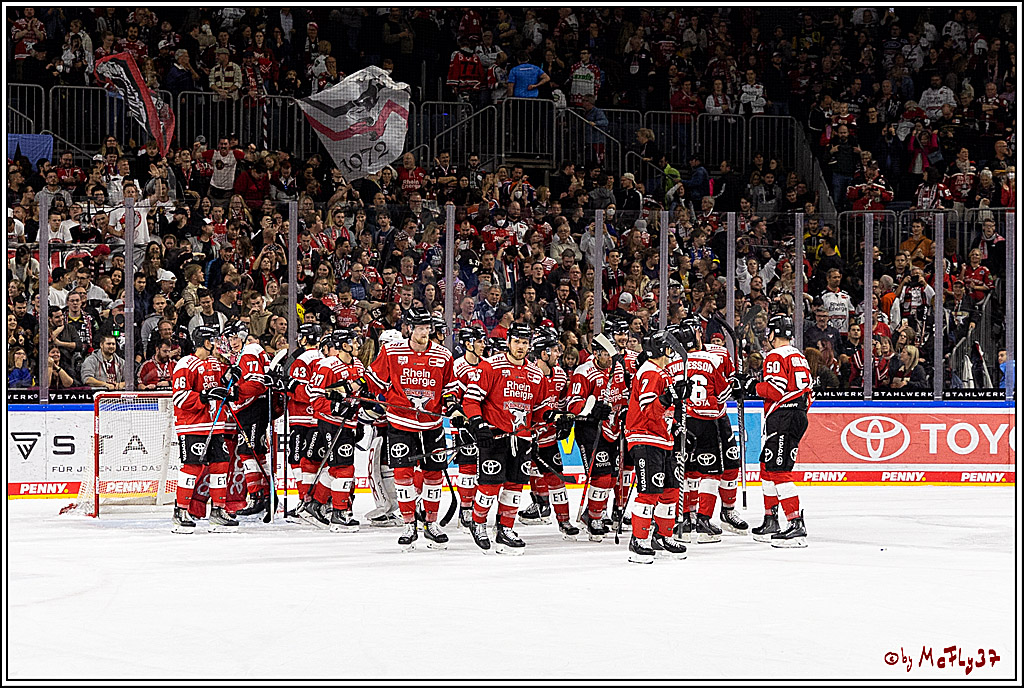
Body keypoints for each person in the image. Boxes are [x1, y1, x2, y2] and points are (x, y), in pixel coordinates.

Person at [363, 307, 459, 550]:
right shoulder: (392, 351)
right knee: (403, 475)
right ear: (409, 328)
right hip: (400, 423)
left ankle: (431, 523)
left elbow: (450, 387)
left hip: (432, 424)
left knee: (434, 476)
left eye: (428, 328)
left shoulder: (443, 355)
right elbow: (374, 381)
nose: (425, 333)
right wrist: (364, 395)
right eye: (420, 328)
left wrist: (453, 406)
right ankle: (408, 525)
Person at [463, 323, 548, 554]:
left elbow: (539, 409)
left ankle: (505, 528)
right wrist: (478, 424)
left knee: (515, 486)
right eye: (517, 341)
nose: (521, 347)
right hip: (495, 436)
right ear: (509, 341)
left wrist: (553, 417)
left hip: (521, 438)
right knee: (489, 486)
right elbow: (470, 401)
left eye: (525, 342)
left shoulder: (536, 374)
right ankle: (478, 522)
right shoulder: (491, 366)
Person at [745, 315, 812, 547]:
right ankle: (770, 519)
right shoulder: (799, 356)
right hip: (796, 414)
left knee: (779, 470)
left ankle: (795, 525)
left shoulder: (775, 356)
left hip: (783, 416)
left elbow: (775, 390)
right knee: (767, 466)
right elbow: (807, 392)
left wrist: (752, 386)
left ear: (773, 333)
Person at [622, 330, 688, 563]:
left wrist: (678, 422)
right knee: (650, 492)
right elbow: (649, 411)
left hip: (663, 439)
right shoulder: (649, 371)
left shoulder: (663, 372)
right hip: (644, 438)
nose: (672, 351)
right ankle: (638, 540)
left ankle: (663, 535)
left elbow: (666, 410)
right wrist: (668, 398)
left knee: (670, 490)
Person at [170, 325, 238, 533]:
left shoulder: (215, 364)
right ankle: (181, 511)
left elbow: (227, 392)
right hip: (193, 426)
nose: (218, 345)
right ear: (206, 342)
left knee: (220, 465)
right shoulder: (185, 364)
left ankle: (218, 511)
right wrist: (205, 396)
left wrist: (231, 381)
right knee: (192, 467)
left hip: (216, 426)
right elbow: (179, 397)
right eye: (214, 341)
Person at [299, 327, 365, 531]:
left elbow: (361, 394)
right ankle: (338, 513)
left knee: (336, 467)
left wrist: (362, 415)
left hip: (350, 423)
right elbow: (315, 398)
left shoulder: (359, 366)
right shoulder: (327, 366)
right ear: (344, 345)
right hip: (331, 423)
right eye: (354, 341)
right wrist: (335, 407)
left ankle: (316, 504)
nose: (358, 345)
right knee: (344, 467)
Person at [517, 328, 580, 538]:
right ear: (543, 353)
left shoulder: (560, 375)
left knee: (556, 480)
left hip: (548, 438)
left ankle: (564, 521)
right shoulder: (528, 375)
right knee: (520, 479)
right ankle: (534, 508)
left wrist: (565, 423)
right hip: (526, 438)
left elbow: (562, 405)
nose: (558, 354)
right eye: (554, 350)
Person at [565, 333, 628, 540]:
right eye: (605, 354)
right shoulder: (584, 372)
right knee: (600, 476)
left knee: (611, 478)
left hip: (613, 428)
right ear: (595, 352)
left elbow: (625, 395)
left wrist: (627, 409)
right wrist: (592, 411)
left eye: (612, 354)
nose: (610, 358)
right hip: (590, 430)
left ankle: (592, 512)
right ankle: (594, 517)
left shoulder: (618, 369)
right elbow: (572, 406)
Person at [219, 322, 274, 517]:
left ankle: (261, 496)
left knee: (247, 452)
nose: (232, 342)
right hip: (250, 409)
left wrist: (235, 392)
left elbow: (257, 384)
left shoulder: (250, 351)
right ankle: (265, 497)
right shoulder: (243, 354)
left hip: (253, 408)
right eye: (230, 338)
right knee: (256, 453)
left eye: (235, 337)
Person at [272, 323, 322, 515]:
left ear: (304, 338)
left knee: (298, 459)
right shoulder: (324, 357)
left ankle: (305, 499)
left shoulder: (302, 360)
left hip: (301, 417)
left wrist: (286, 386)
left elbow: (304, 392)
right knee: (315, 460)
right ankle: (317, 500)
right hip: (318, 416)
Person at [451, 325, 488, 529]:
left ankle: (476, 507)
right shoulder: (457, 367)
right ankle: (465, 508)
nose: (483, 345)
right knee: (467, 467)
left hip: (484, 425)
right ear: (468, 344)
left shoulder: (487, 365)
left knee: (485, 468)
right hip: (465, 425)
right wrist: (457, 414)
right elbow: (450, 396)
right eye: (479, 341)